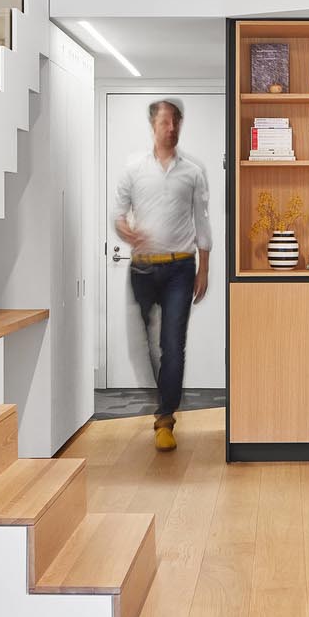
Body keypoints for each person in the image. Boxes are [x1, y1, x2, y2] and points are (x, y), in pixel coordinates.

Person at [112, 97, 212, 451]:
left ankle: (165, 417)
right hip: (142, 268)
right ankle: (164, 400)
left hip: (181, 268)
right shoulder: (134, 170)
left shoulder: (193, 173)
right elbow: (119, 214)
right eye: (164, 123)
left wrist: (205, 268)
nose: (170, 129)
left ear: (181, 125)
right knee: (148, 347)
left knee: (172, 345)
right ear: (153, 126)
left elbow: (202, 221)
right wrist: (126, 232)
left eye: (175, 123)